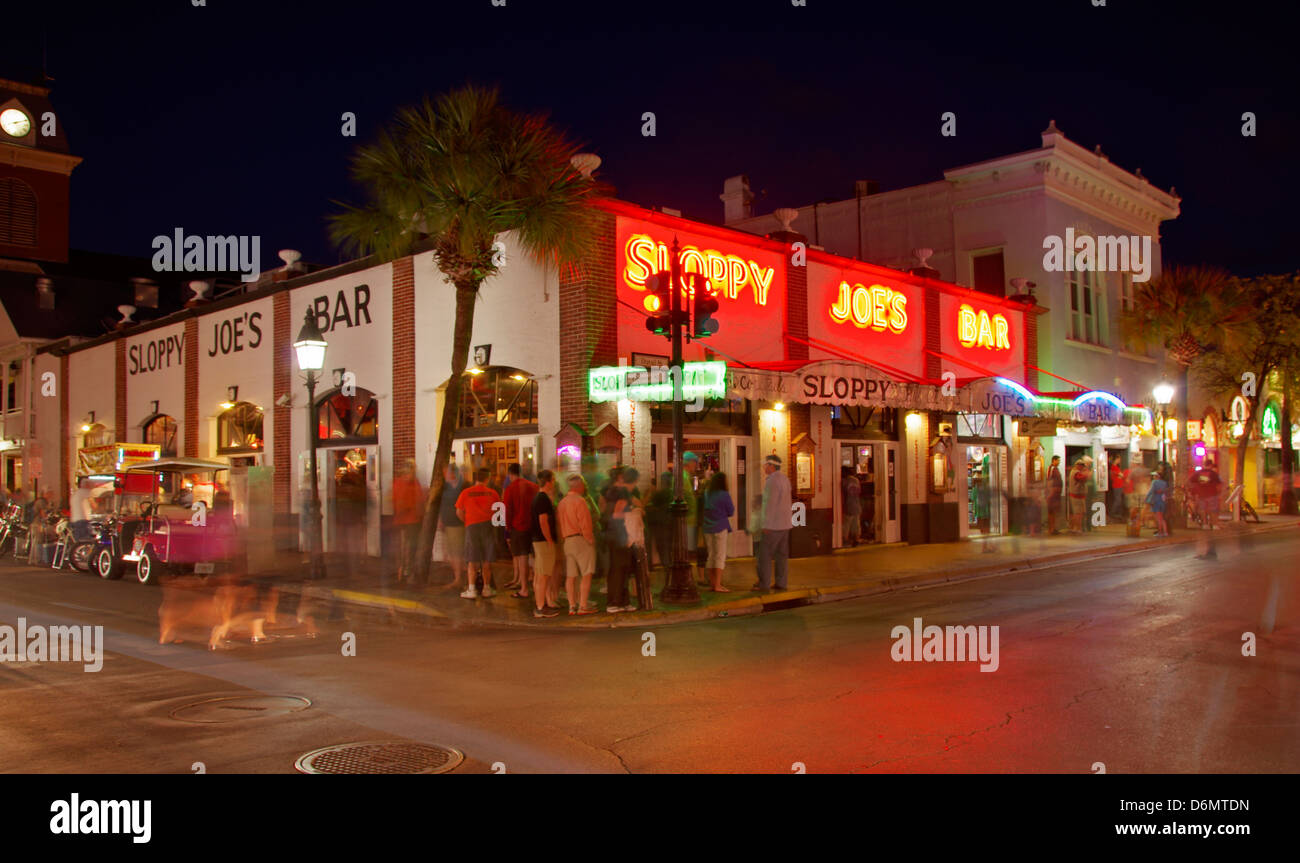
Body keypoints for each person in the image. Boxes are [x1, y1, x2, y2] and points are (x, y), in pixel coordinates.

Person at [455, 468, 500, 599]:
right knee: (487, 559)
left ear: (476, 479)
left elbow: (458, 512)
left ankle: (472, 589)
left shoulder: (466, 493)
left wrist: (467, 521)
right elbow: (499, 513)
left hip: (472, 526)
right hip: (488, 526)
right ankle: (486, 588)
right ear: (487, 478)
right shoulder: (493, 493)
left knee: (472, 559)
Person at [556, 474, 598, 615]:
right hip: (580, 539)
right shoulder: (580, 501)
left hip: (567, 540)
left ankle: (572, 605)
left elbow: (559, 523)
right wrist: (590, 539)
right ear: (579, 486)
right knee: (586, 573)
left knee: (571, 576)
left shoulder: (562, 503)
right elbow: (585, 523)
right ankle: (583, 606)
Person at [751, 454, 792, 592]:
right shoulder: (785, 479)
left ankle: (764, 584)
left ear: (771, 466)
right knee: (781, 556)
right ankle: (781, 583)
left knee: (765, 556)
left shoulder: (771, 481)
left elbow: (770, 504)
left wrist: (766, 524)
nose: (764, 467)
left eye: (765, 465)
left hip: (773, 526)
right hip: (785, 524)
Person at [605, 467, 641, 613]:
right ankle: (615, 602)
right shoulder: (623, 492)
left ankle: (622, 601)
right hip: (620, 534)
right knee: (620, 569)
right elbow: (617, 513)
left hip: (614, 534)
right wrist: (632, 513)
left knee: (621, 568)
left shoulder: (613, 490)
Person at [502, 463, 538, 597]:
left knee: (522, 558)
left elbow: (508, 511)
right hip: (534, 526)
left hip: (518, 527)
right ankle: (537, 584)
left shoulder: (510, 489)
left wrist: (507, 529)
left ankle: (524, 588)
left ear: (510, 474)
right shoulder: (533, 486)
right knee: (534, 557)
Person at [529, 470, 561, 618]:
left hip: (538, 541)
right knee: (543, 575)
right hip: (543, 541)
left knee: (541, 574)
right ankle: (541, 607)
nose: (554, 483)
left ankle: (545, 603)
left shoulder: (539, 498)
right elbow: (543, 521)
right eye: (553, 480)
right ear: (548, 482)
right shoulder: (542, 499)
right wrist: (549, 540)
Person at [391, 459, 424, 584]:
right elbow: (419, 499)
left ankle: (403, 570)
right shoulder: (412, 483)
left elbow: (395, 500)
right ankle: (406, 570)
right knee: (409, 546)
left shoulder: (398, 482)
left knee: (404, 546)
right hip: (410, 520)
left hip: (404, 519)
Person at [701, 472, 735, 592]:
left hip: (707, 527)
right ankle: (718, 585)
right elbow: (731, 511)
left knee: (711, 555)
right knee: (720, 556)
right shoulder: (724, 494)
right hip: (720, 527)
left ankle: (712, 584)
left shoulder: (706, 493)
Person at [438, 464, 467, 591]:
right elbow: (442, 505)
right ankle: (460, 576)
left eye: (446, 473)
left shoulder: (461, 486)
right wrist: (441, 519)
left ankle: (458, 579)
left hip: (457, 523)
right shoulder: (446, 487)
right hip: (450, 523)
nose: (445, 476)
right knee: (454, 552)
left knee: (456, 552)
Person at [1192, 458, 1223, 559]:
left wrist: (1195, 491)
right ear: (1211, 465)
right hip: (1212, 495)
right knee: (1213, 510)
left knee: (1203, 510)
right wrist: (1219, 493)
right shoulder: (1213, 474)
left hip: (1202, 495)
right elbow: (1219, 484)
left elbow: (1191, 481)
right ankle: (1214, 524)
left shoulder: (1198, 473)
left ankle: (1205, 523)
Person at [840, 467, 861, 547]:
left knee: (846, 524)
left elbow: (842, 491)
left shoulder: (845, 481)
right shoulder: (856, 480)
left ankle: (844, 540)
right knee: (856, 524)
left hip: (848, 506)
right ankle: (856, 540)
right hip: (856, 505)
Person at [1146, 467, 1170, 537]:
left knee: (1158, 518)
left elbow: (1151, 491)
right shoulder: (1164, 483)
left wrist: (1146, 499)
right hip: (1162, 501)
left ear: (1157, 476)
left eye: (1154, 475)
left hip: (1156, 501)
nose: (1153, 477)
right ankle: (1165, 532)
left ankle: (1160, 532)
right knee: (1162, 518)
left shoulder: (1154, 482)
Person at [1068, 460, 1089, 534]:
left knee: (1077, 512)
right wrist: (1087, 473)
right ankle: (1078, 528)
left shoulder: (1073, 472)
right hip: (1077, 495)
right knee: (1078, 513)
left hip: (1076, 495)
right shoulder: (1076, 473)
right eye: (1082, 466)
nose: (1082, 467)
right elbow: (1083, 478)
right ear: (1078, 465)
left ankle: (1074, 527)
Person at [1046, 455, 1063, 534]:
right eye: (1058, 460)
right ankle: (1051, 529)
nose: (1059, 462)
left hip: (1056, 494)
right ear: (1054, 460)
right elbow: (1049, 479)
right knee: (1051, 511)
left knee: (1055, 511)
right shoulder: (1051, 468)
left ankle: (1054, 528)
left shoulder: (1056, 469)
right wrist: (1050, 492)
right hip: (1052, 493)